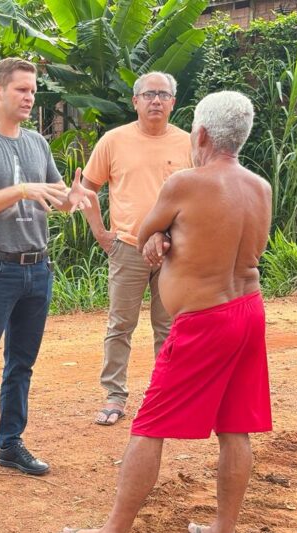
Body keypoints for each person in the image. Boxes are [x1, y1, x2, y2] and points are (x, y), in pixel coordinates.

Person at [57, 91, 272, 533]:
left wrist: (159, 235)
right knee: (235, 426)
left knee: (150, 424)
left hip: (204, 322)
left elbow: (143, 231)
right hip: (248, 312)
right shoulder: (259, 187)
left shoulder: (184, 183)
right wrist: (166, 235)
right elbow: (203, 235)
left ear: (201, 135)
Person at [0, 57, 94, 488]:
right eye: (22, 90)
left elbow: (56, 199)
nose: (30, 97)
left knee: (21, 365)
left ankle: (10, 444)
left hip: (37, 268)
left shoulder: (37, 144)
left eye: (33, 90)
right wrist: (21, 190)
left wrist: (72, 197)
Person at [79, 72, 192, 426]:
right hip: (128, 248)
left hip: (175, 252)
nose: (156, 100)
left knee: (169, 326)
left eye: (163, 95)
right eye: (148, 94)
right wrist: (101, 233)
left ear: (173, 102)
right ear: (135, 101)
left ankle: (165, 395)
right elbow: (86, 189)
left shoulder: (189, 144)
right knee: (120, 325)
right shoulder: (114, 141)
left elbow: (200, 196)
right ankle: (115, 396)